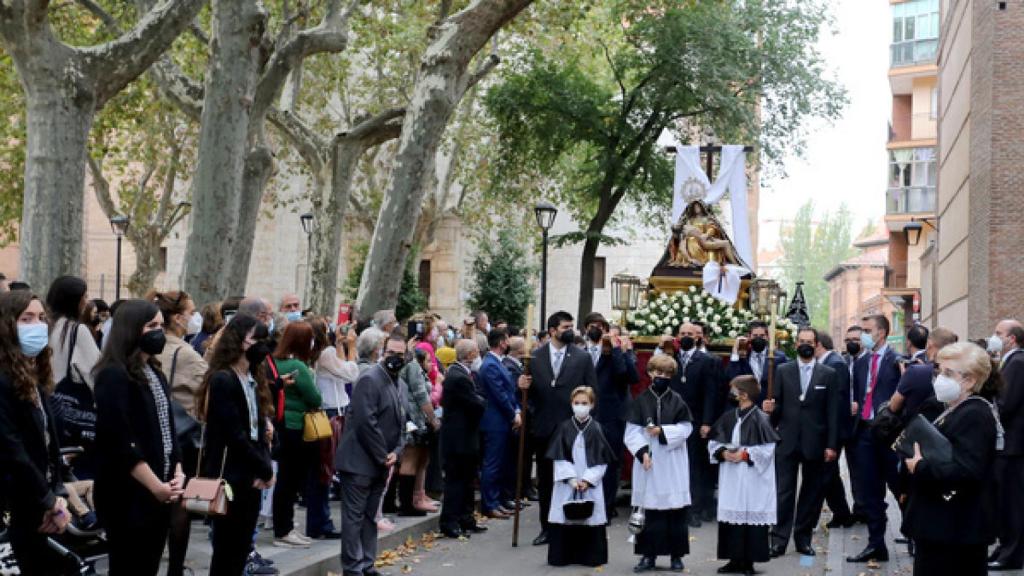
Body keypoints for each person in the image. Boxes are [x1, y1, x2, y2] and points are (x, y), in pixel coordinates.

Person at [93, 299, 184, 575]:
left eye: (160, 324)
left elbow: (169, 427)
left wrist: (177, 471)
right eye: (151, 325)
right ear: (132, 329)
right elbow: (119, 438)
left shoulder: (155, 371)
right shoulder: (113, 374)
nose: (159, 331)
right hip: (128, 493)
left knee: (149, 564)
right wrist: (155, 484)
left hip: (161, 488)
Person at [902, 342, 1001, 576]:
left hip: (956, 530)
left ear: (969, 380)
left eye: (948, 373)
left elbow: (967, 471)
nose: (939, 378)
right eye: (939, 371)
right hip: (944, 527)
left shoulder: (975, 413)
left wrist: (921, 467)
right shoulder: (955, 408)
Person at [196, 313, 276, 576]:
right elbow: (234, 434)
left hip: (250, 472)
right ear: (239, 341)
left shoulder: (253, 378)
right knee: (226, 548)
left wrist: (262, 468)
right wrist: (263, 469)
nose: (262, 345)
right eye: (256, 339)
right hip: (231, 476)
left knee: (241, 546)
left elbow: (259, 429)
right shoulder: (223, 379)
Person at [0, 291, 71, 574]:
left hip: (41, 506)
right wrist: (50, 502)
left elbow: (48, 444)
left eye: (42, 318)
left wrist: (58, 496)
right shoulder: (3, 381)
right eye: (26, 318)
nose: (37, 325)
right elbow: (11, 449)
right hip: (18, 507)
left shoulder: (32, 377)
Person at [520, 311, 597, 546]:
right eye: (565, 327)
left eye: (572, 326)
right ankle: (547, 527)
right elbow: (528, 396)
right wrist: (521, 386)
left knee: (572, 478)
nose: (570, 331)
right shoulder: (534, 357)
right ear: (552, 330)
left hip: (572, 428)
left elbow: (592, 391)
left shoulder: (582, 358)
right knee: (545, 481)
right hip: (543, 428)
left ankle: (571, 525)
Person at [763, 327, 839, 557]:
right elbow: (777, 408)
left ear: (816, 345)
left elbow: (833, 412)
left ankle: (803, 538)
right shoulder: (783, 370)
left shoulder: (828, 374)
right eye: (801, 341)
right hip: (786, 440)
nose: (805, 344)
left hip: (815, 442)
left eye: (810, 341)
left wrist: (831, 445)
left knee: (811, 493)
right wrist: (770, 409)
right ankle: (778, 539)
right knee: (783, 492)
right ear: (796, 345)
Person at [338, 331, 407, 576]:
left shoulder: (398, 382)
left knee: (370, 518)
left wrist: (396, 452)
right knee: (354, 518)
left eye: (400, 354)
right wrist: (383, 455)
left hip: (381, 461)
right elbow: (366, 422)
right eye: (391, 353)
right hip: (360, 461)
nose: (395, 358)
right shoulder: (370, 378)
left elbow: (401, 424)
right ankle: (353, 568)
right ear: (381, 351)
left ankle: (367, 564)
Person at [150, 289, 209, 576]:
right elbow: (209, 391)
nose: (195, 317)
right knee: (179, 504)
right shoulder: (185, 353)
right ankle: (175, 566)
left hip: (154, 433)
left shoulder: (150, 348)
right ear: (177, 318)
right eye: (191, 311)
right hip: (180, 434)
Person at [625, 353, 693, 572]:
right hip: (649, 463)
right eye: (658, 372)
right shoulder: (641, 400)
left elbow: (686, 428)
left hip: (672, 461)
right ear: (650, 372)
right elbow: (631, 433)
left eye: (666, 373)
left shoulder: (677, 400)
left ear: (671, 375)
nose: (661, 376)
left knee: (674, 510)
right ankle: (648, 555)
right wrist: (642, 452)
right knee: (649, 510)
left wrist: (662, 431)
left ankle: (676, 556)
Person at [709, 375, 780, 576]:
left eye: (733, 389)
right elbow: (714, 442)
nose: (730, 393)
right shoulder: (729, 416)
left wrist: (746, 454)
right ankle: (733, 559)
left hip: (752, 477)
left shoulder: (761, 418)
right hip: (731, 474)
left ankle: (748, 561)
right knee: (732, 514)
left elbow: (768, 449)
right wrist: (723, 452)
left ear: (744, 394)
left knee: (750, 515)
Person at [847, 314, 902, 563]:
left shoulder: (896, 362)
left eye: (868, 330)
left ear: (881, 333)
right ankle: (876, 543)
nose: (863, 335)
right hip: (865, 432)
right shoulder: (860, 363)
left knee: (900, 487)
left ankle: (913, 537)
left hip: (889, 435)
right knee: (870, 491)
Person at [545, 386, 614, 567]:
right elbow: (559, 458)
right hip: (568, 482)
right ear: (571, 404)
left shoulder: (598, 429)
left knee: (591, 516)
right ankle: (563, 556)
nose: (580, 407)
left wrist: (588, 480)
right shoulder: (563, 428)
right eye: (577, 403)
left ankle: (590, 556)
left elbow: (602, 461)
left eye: (584, 403)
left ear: (592, 404)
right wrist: (571, 479)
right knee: (563, 514)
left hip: (589, 483)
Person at [271, 321, 324, 546]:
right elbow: (315, 398)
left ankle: (285, 526)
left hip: (281, 423)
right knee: (290, 480)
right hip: (297, 426)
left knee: (285, 479)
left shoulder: (273, 362)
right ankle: (284, 529)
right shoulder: (299, 367)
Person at [665, 321, 719, 527]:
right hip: (673, 420)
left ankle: (693, 509)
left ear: (698, 337)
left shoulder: (705, 360)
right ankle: (674, 507)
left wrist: (707, 422)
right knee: (674, 465)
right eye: (682, 333)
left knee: (694, 466)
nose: (687, 336)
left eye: (690, 333)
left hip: (696, 421)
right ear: (677, 336)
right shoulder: (670, 359)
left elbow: (710, 394)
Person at [582, 313, 633, 518]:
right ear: (586, 329)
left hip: (611, 414)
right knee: (587, 460)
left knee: (611, 462)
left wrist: (617, 350)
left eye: (600, 326)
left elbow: (625, 375)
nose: (596, 329)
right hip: (586, 414)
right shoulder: (580, 352)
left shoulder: (615, 353)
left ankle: (607, 505)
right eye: (592, 325)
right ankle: (587, 502)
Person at [438, 340, 489, 538]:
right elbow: (475, 403)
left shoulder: (462, 374)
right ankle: (450, 521)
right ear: (468, 355)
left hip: (466, 437)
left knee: (467, 480)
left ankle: (466, 518)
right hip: (458, 440)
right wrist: (482, 401)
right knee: (456, 482)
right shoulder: (458, 377)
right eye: (476, 352)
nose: (478, 356)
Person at [47, 276, 101, 458]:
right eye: (84, 297)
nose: (86, 302)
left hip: (45, 406)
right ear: (74, 300)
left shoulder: (45, 326)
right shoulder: (77, 330)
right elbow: (95, 373)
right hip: (71, 413)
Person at [989, 320, 1024, 571]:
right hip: (1009, 445)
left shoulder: (1018, 362)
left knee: (1012, 503)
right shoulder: (1009, 361)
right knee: (1004, 501)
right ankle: (1005, 548)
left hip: (1014, 446)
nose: (995, 337)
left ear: (1012, 339)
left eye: (999, 333)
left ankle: (1012, 554)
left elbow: (1007, 403)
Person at [478, 328, 521, 518]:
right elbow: (499, 394)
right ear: (502, 342)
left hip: (502, 420)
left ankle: (497, 500)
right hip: (494, 421)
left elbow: (509, 391)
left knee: (500, 462)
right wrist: (513, 414)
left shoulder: (497, 363)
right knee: (492, 464)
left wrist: (517, 409)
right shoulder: (490, 365)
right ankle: (490, 503)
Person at [816, 332, 856, 529]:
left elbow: (837, 402)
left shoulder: (835, 364)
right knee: (829, 473)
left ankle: (840, 513)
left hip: (835, 429)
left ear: (819, 345)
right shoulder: (830, 361)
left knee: (826, 472)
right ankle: (841, 513)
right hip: (829, 429)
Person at [398, 347, 440, 516]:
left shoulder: (413, 367)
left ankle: (417, 498)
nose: (431, 364)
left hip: (417, 419)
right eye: (429, 360)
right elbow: (421, 396)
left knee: (420, 459)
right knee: (410, 458)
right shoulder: (413, 367)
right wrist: (433, 419)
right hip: (412, 420)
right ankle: (407, 504)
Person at [726, 321, 788, 406]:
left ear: (767, 337)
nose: (758, 338)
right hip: (745, 404)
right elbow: (732, 378)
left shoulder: (778, 357)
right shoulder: (742, 356)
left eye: (762, 336)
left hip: (768, 406)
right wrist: (735, 353)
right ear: (749, 336)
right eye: (755, 336)